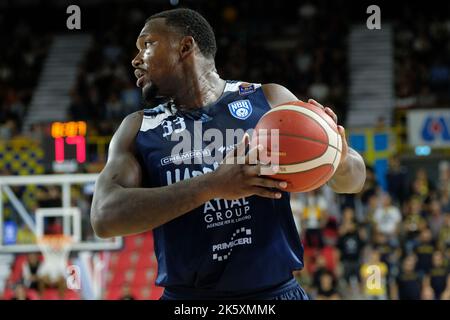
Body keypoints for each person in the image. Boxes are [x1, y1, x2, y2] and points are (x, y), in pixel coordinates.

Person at [91, 8, 366, 300]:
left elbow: (354, 180)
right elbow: (104, 217)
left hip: (274, 294)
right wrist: (212, 185)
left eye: (147, 45)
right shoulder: (138, 129)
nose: (135, 60)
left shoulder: (269, 101)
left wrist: (337, 158)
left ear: (185, 47)